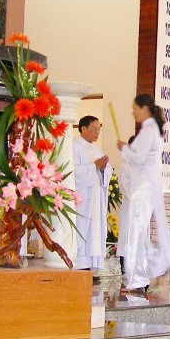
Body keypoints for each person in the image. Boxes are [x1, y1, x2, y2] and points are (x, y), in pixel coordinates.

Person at [116, 94, 170, 292]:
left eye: (135, 108)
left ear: (144, 108)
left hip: (143, 186)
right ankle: (139, 274)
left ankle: (138, 278)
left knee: (136, 232)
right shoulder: (150, 129)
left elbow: (138, 158)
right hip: (144, 184)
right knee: (137, 233)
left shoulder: (148, 130)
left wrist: (124, 148)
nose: (133, 112)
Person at [72, 116, 112, 272]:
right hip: (82, 198)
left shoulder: (96, 149)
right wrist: (94, 166)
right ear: (83, 128)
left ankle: (91, 265)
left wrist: (103, 169)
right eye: (93, 129)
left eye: (98, 130)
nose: (97, 133)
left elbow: (106, 172)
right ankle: (79, 263)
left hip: (96, 198)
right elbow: (73, 171)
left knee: (94, 230)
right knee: (82, 228)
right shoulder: (74, 146)